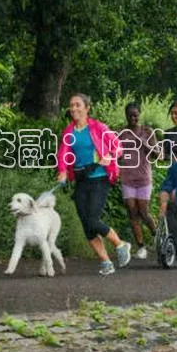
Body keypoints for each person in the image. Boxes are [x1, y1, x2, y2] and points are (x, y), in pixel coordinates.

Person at [57, 93, 131, 275]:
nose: (73, 108)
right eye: (71, 105)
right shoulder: (69, 131)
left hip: (99, 177)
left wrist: (110, 156)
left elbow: (118, 147)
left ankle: (120, 244)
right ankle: (105, 261)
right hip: (81, 179)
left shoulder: (99, 127)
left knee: (92, 219)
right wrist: (62, 171)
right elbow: (63, 154)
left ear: (87, 108)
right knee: (86, 224)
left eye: (78, 105)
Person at [118, 102, 158, 259]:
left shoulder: (147, 131)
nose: (133, 117)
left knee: (143, 211)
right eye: (130, 114)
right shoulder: (121, 133)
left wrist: (145, 144)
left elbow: (156, 154)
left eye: (135, 114)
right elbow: (115, 152)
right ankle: (141, 247)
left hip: (143, 177)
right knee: (132, 212)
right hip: (127, 177)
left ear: (139, 114)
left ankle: (156, 234)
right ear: (126, 115)